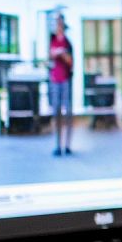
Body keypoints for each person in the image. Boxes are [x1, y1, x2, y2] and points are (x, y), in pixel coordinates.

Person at [46, 13, 75, 156]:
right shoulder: (52, 41)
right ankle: (58, 145)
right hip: (55, 80)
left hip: (65, 80)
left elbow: (71, 62)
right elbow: (49, 58)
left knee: (67, 112)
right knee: (56, 112)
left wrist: (63, 54)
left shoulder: (68, 43)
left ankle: (68, 145)